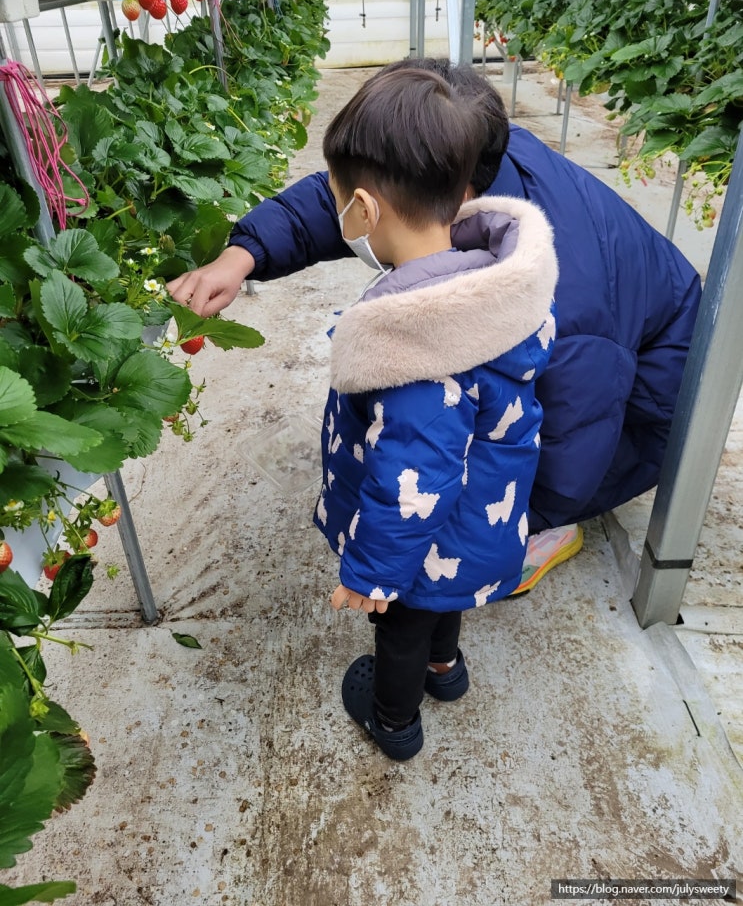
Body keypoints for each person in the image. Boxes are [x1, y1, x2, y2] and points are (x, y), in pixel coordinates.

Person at [167, 58, 702, 596]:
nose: (346, 204)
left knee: (509, 468)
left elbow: (576, 433)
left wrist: (511, 527)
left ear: (454, 196)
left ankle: (550, 535)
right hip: (604, 352)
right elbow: (344, 195)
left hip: (652, 394)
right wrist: (244, 253)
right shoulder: (452, 159)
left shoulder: (560, 300)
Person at [313, 65, 557, 759]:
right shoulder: (494, 289)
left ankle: (394, 720)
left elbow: (411, 482)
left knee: (401, 622)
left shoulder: (417, 346)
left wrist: (370, 574)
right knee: (443, 602)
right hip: (481, 518)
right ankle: (445, 671)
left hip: (425, 539)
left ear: (362, 208)